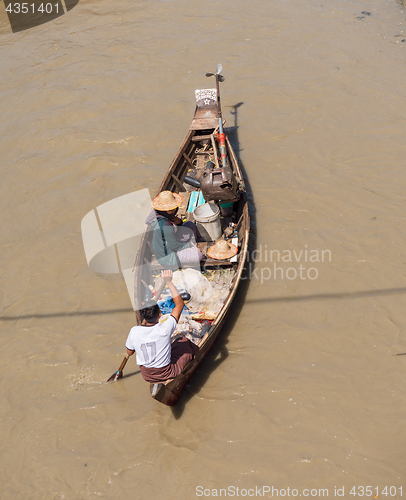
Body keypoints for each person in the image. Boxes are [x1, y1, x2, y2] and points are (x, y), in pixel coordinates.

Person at [125, 270, 199, 383]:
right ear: (160, 315)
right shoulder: (164, 328)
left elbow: (129, 353)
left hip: (146, 375)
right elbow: (179, 305)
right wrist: (168, 282)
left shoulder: (134, 331)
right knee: (183, 341)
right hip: (167, 372)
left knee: (174, 345)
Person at [145, 190, 203, 270]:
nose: (174, 210)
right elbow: (174, 246)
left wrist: (179, 222)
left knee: (190, 225)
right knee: (199, 255)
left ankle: (198, 244)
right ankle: (193, 248)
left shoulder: (159, 213)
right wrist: (189, 245)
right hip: (168, 257)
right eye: (172, 208)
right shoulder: (166, 224)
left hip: (171, 239)